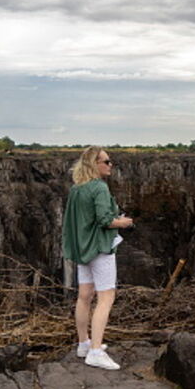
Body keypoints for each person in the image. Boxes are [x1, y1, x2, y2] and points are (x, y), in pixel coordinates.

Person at [62, 146, 134, 370]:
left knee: (84, 296)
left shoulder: (77, 189)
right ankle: (95, 351)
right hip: (100, 248)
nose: (110, 165)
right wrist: (124, 222)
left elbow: (76, 221)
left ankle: (83, 343)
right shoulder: (99, 188)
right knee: (106, 298)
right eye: (106, 161)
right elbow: (105, 220)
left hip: (83, 250)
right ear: (94, 164)